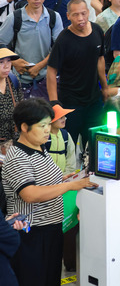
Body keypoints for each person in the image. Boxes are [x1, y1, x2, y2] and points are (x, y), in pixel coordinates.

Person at [2, 98, 97, 286]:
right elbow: (30, 193)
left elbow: (41, 180)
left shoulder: (39, 147)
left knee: (51, 278)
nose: (48, 130)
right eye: (42, 125)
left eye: (48, 124)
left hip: (51, 228)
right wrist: (70, 186)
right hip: (32, 233)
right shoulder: (17, 156)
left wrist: (65, 178)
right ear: (24, 127)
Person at [47, 0, 108, 146]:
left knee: (95, 142)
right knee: (70, 144)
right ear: (68, 16)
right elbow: (51, 72)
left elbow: (100, 59)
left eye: (83, 13)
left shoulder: (97, 30)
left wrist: (105, 88)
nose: (80, 18)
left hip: (93, 100)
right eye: (75, 15)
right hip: (70, 102)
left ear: (89, 12)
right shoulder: (63, 40)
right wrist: (54, 103)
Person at [0, 0, 63, 100]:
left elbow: (59, 48)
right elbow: (1, 44)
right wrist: (14, 62)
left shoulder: (54, 17)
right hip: (19, 80)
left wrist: (40, 66)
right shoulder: (14, 18)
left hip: (47, 79)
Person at [0, 46, 22, 150]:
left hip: (13, 145)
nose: (6, 66)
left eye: (8, 61)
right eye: (1, 62)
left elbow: (22, 110)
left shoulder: (13, 80)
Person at [46, 104, 76, 175]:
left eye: (64, 117)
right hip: (47, 178)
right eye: (60, 117)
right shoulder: (44, 136)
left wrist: (66, 175)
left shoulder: (66, 135)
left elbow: (71, 158)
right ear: (51, 120)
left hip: (64, 177)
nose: (64, 119)